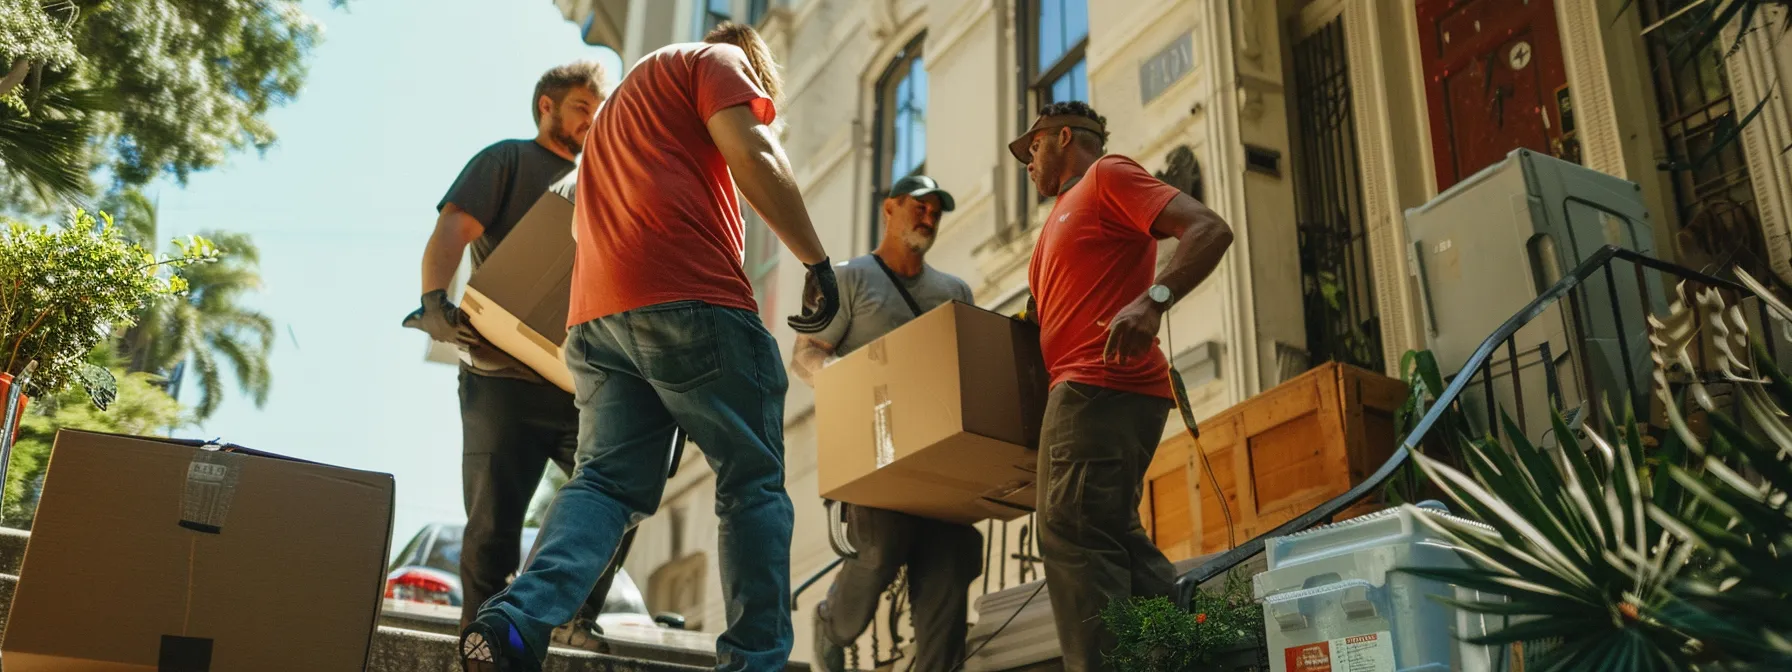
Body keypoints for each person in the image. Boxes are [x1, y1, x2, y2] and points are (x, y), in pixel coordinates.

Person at [460, 22, 840, 672]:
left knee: (604, 481)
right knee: (751, 480)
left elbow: (582, 220)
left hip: (598, 318)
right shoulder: (715, 59)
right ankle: (754, 662)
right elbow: (754, 154)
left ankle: (517, 622)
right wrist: (818, 263)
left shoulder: (616, 115)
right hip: (693, 297)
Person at [405, 61, 635, 641]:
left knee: (621, 493)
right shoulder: (507, 160)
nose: (593, 119)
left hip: (580, 382)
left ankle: (572, 617)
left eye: (599, 109)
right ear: (547, 107)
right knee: (492, 528)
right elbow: (454, 229)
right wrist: (434, 299)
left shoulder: (608, 181)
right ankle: (483, 641)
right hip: (501, 375)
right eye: (583, 106)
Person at [1009, 101, 1234, 671]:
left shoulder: (1107, 176)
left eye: (1030, 147)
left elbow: (1209, 229)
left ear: (1063, 137)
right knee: (1114, 541)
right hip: (1092, 392)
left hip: (1098, 386)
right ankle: (1199, 655)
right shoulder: (1054, 226)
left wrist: (1154, 299)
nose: (1025, 161)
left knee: (1074, 541)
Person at [791, 175, 984, 672]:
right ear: (889, 208)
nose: (928, 217)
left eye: (936, 212)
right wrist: (844, 382)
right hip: (872, 456)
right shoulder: (848, 278)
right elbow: (806, 355)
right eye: (918, 207)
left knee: (954, 560)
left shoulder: (954, 291)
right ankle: (834, 622)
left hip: (941, 462)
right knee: (883, 544)